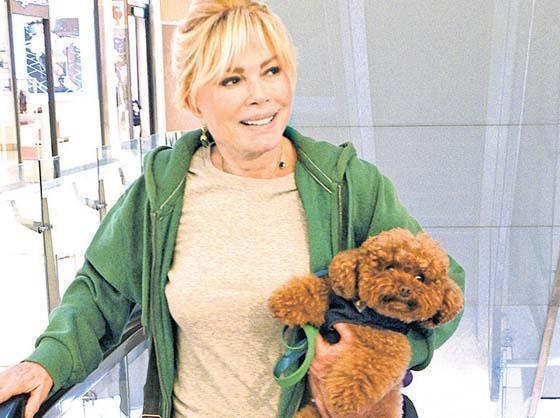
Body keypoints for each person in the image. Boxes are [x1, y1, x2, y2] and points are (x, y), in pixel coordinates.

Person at [0, 2, 465, 418]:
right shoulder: (162, 191)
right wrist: (47, 362)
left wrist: (385, 355)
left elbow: (445, 285)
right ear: (193, 98)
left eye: (272, 71)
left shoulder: (347, 185)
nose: (260, 95)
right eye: (232, 79)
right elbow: (100, 292)